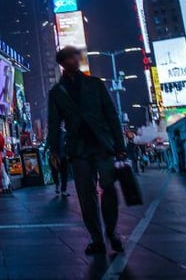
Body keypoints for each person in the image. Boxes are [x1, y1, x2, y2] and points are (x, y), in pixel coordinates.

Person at [47, 46, 127, 255]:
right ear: (62, 63)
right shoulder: (56, 92)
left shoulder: (95, 84)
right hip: (78, 149)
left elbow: (111, 115)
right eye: (69, 58)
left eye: (76, 56)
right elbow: (54, 124)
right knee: (86, 195)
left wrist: (120, 145)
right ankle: (97, 238)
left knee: (108, 188)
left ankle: (111, 232)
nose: (74, 60)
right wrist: (54, 150)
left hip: (102, 144)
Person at [49, 127, 70, 197]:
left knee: (56, 172)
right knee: (63, 173)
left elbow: (47, 143)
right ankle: (62, 189)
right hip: (59, 156)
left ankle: (58, 187)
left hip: (55, 156)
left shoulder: (53, 133)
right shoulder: (63, 132)